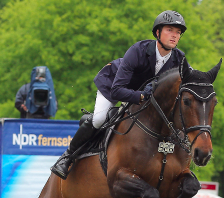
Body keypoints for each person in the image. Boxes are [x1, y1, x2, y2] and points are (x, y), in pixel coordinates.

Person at [51, 11, 189, 179]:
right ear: (158, 32)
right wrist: (141, 96)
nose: (175, 36)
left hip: (144, 96)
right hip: (113, 86)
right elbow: (117, 90)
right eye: (170, 30)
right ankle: (67, 157)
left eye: (178, 32)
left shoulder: (180, 59)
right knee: (99, 119)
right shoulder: (138, 50)